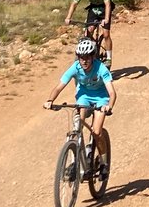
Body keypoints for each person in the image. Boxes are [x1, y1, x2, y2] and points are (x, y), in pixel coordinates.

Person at [44, 37, 115, 174]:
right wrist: (50, 100)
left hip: (101, 97)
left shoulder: (101, 69)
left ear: (93, 56)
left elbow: (112, 92)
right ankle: (74, 162)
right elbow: (59, 86)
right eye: (81, 57)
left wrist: (109, 106)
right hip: (83, 96)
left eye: (87, 57)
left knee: (97, 131)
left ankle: (104, 162)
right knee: (78, 124)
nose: (84, 60)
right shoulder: (75, 67)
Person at [65, 0, 114, 67]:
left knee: (105, 34)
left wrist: (107, 19)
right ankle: (93, 51)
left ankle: (108, 58)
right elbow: (74, 3)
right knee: (88, 32)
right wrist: (68, 17)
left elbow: (108, 4)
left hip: (104, 9)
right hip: (93, 8)